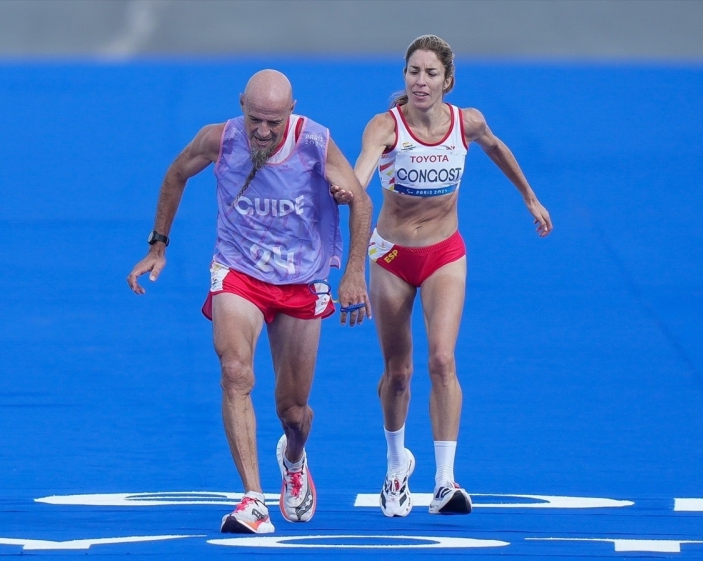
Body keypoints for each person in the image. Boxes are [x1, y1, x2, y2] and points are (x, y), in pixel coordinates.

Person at [128, 69, 373, 534]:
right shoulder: (219, 139)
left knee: (293, 411)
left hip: (301, 279)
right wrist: (158, 244)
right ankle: (253, 501)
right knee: (235, 371)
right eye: (255, 119)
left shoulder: (316, 143)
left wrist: (355, 272)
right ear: (241, 104)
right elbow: (176, 173)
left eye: (273, 123)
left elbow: (360, 202)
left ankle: (294, 458)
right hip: (239, 271)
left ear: (291, 112)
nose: (262, 131)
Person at [333, 35, 552, 517]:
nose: (420, 81)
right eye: (413, 71)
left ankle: (446, 481)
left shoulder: (465, 122)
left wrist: (529, 198)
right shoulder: (385, 127)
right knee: (398, 372)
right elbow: (360, 176)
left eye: (431, 73)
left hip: (444, 254)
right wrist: (345, 190)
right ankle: (396, 467)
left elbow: (498, 149)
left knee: (443, 361)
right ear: (404, 77)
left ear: (448, 82)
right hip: (391, 257)